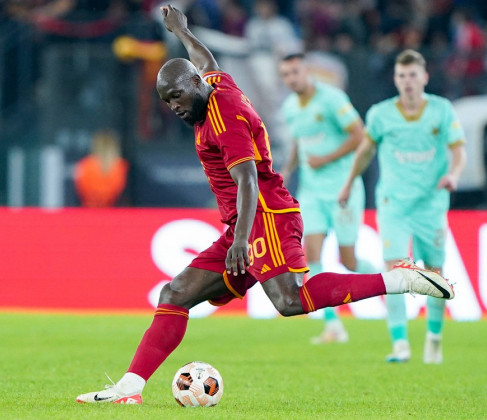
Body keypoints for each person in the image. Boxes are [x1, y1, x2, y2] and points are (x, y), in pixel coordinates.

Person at [76, 7, 454, 405]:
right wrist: (184, 32)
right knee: (175, 293)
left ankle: (400, 279)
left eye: (176, 95)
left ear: (193, 85)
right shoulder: (215, 87)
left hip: (264, 217)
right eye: (166, 100)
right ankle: (129, 389)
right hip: (245, 221)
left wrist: (241, 240)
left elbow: (248, 180)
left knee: (290, 301)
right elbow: (207, 61)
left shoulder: (225, 119)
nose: (173, 105)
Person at [338, 49, 467, 364]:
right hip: (393, 204)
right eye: (401, 76)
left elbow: (458, 150)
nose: (407, 81)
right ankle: (400, 344)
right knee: (395, 272)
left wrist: (453, 174)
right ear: (395, 79)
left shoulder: (442, 110)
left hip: (431, 204)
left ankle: (434, 339)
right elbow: (365, 151)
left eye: (412, 75)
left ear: (424, 77)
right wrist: (347, 183)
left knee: (434, 273)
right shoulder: (381, 114)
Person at [278, 53, 377, 345]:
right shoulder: (290, 108)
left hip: (343, 189)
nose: (291, 79)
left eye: (295, 72)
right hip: (311, 193)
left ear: (307, 71)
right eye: (285, 74)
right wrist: (286, 170)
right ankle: (333, 326)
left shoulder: (332, 98)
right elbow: (299, 141)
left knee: (349, 261)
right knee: (312, 255)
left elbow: (360, 135)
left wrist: (327, 158)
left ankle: (390, 275)